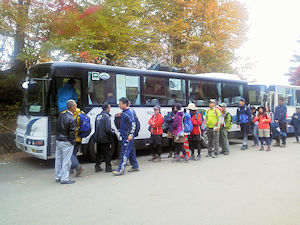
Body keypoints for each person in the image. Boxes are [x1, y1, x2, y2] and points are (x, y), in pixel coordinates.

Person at [113, 97, 139, 176]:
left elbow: (133, 124)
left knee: (124, 152)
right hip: (126, 135)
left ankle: (120, 169)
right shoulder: (126, 112)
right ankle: (135, 166)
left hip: (127, 136)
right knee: (130, 151)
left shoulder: (128, 113)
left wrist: (130, 135)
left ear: (124, 104)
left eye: (120, 103)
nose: (119, 105)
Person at [55, 100, 77, 184]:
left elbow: (57, 127)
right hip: (66, 141)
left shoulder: (61, 115)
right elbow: (72, 133)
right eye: (75, 106)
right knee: (66, 161)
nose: (76, 107)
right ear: (72, 107)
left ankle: (58, 176)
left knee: (58, 159)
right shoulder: (72, 119)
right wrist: (73, 142)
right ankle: (64, 178)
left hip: (59, 140)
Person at [94, 102, 114, 173]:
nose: (110, 109)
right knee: (107, 153)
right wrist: (112, 132)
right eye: (109, 108)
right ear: (107, 108)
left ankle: (97, 166)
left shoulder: (98, 116)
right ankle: (108, 167)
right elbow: (108, 129)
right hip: (104, 138)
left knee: (99, 153)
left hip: (98, 137)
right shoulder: (106, 116)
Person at [69, 107, 83, 177]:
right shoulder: (81, 113)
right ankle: (71, 169)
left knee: (70, 153)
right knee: (74, 153)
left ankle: (77, 166)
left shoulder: (69, 114)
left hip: (72, 138)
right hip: (79, 137)